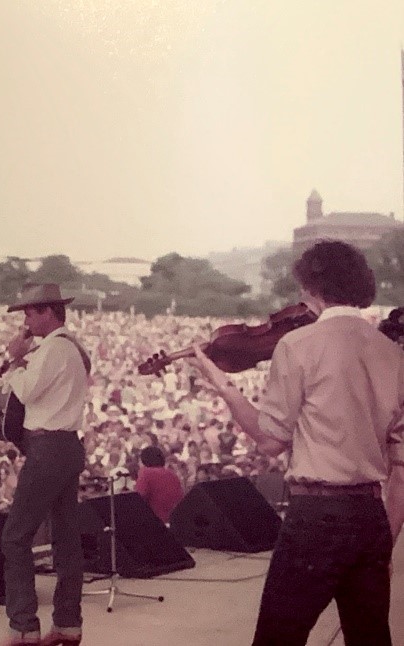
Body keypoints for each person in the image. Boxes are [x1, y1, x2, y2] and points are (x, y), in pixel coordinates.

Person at [189, 240, 404, 646]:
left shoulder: (297, 345)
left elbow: (271, 441)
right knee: (371, 638)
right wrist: (385, 542)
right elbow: (402, 470)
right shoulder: (393, 355)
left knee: (278, 637)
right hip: (371, 515)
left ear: (311, 288)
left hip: (317, 514)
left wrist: (226, 389)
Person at [0, 283, 90, 646]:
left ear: (49, 312)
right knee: (66, 540)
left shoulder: (53, 349)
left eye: (29, 312)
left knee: (15, 537)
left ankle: (24, 627)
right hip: (68, 446)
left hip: (48, 448)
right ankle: (68, 624)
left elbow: (25, 391)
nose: (25, 320)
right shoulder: (74, 348)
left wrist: (14, 359)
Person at [135, 446, 183, 524]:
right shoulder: (172, 474)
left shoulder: (146, 473)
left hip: (156, 522)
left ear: (144, 461)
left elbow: (139, 498)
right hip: (175, 520)